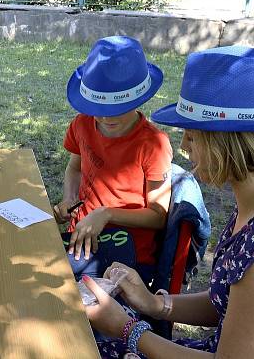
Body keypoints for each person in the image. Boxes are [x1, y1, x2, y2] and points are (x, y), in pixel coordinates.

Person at [84, 46, 254, 358]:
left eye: (192, 137)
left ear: (227, 142)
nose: (184, 147)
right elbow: (227, 300)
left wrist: (128, 329)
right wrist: (155, 303)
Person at [52, 36, 172, 278]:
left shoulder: (153, 144)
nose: (107, 117)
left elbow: (158, 216)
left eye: (117, 109)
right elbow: (75, 168)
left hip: (127, 252)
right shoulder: (82, 124)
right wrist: (69, 198)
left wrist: (106, 213)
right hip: (80, 239)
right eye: (98, 109)